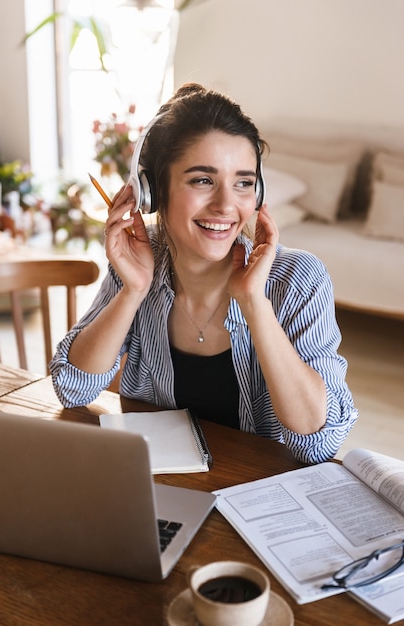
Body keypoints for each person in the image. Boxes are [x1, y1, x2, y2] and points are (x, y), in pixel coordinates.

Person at [50, 83, 358, 465]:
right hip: (161, 489)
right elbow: (72, 388)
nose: (226, 205)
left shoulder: (297, 279)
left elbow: (318, 441)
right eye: (203, 180)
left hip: (261, 495)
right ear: (153, 192)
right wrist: (133, 290)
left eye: (243, 183)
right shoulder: (140, 263)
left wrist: (253, 302)